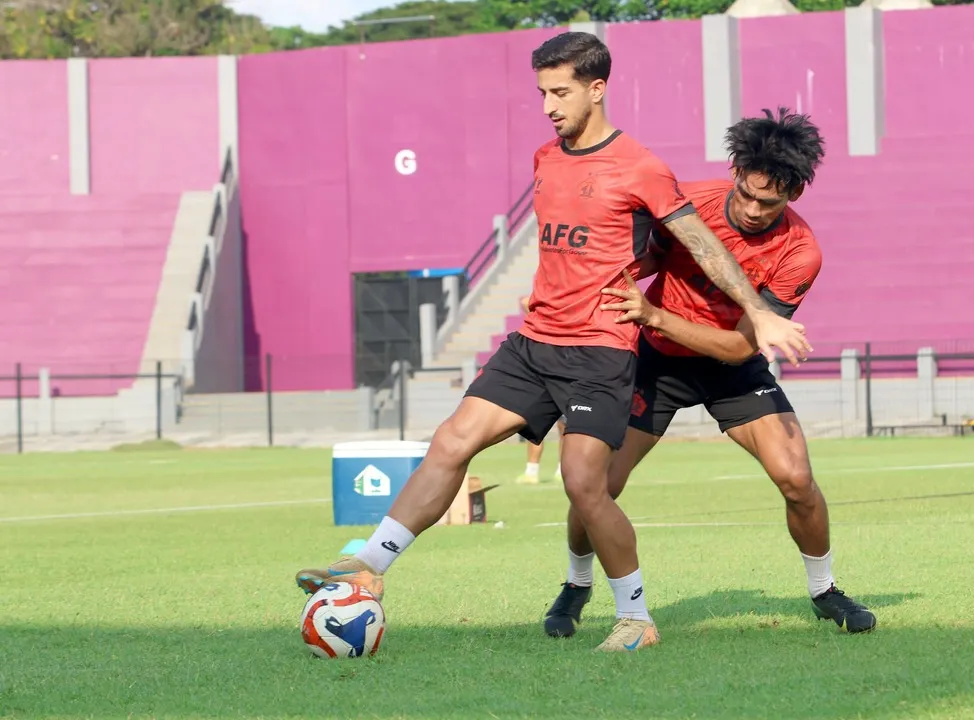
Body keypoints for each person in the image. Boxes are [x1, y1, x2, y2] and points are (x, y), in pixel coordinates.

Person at [294, 32, 812, 653]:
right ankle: (368, 568)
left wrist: (759, 311)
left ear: (597, 89)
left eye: (560, 91)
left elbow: (703, 244)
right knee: (451, 442)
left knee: (584, 484)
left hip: (600, 351)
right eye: (542, 91)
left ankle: (635, 618)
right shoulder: (546, 157)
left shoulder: (642, 167)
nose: (548, 104)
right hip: (535, 340)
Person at [540, 108, 877, 639]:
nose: (753, 210)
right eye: (746, 192)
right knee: (598, 485)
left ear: (794, 196)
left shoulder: (801, 252)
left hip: (730, 367)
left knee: (797, 479)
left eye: (770, 203)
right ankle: (575, 584)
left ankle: (824, 589)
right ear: (735, 172)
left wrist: (652, 313)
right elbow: (644, 259)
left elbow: (739, 345)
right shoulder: (689, 202)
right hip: (655, 361)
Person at [516, 295, 566, 485]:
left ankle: (561, 469)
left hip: (563, 376)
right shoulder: (549, 320)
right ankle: (532, 471)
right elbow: (524, 301)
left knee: (565, 429)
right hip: (544, 375)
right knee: (535, 427)